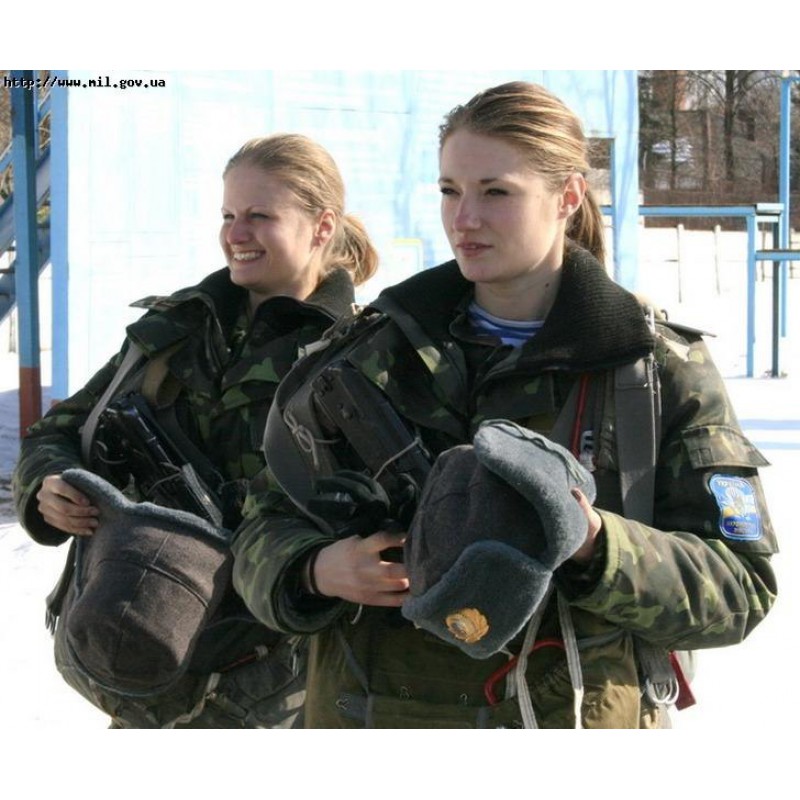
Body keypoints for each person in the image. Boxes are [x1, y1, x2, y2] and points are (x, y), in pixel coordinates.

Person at [229, 82, 778, 729]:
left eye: (496, 192)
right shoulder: (364, 357)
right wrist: (315, 569)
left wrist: (596, 542)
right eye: (450, 191)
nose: (464, 218)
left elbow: (738, 589)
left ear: (567, 196)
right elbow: (259, 529)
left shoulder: (647, 367)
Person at [12, 132, 378, 728]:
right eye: (229, 215)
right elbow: (58, 430)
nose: (236, 234)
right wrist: (49, 485)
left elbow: (371, 520)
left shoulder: (357, 357)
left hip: (269, 679)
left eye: (260, 216)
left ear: (321, 226)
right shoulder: (176, 328)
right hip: (137, 643)